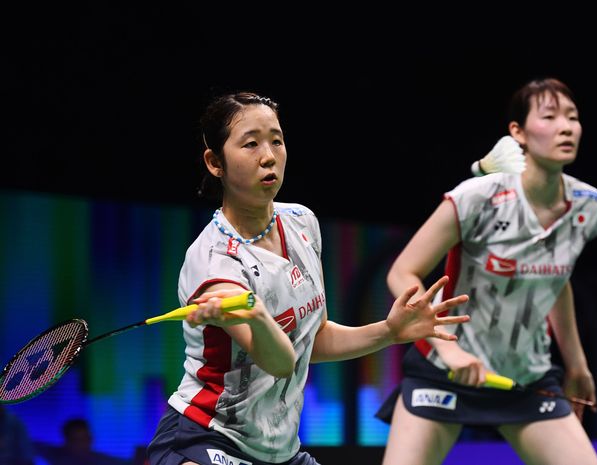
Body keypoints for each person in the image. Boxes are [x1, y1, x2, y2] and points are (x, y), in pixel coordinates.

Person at [146, 92, 470, 465]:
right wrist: (254, 314)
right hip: (209, 436)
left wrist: (390, 331)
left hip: (281, 451)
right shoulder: (214, 261)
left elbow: (310, 341)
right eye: (250, 144)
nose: (268, 156)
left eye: (277, 140)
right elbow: (280, 362)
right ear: (215, 162)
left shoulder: (302, 223)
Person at [375, 77, 597, 465]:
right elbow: (402, 273)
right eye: (550, 117)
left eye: (573, 117)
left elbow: (555, 281)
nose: (566, 126)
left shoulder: (588, 206)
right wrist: (450, 352)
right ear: (517, 131)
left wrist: (577, 365)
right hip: (444, 372)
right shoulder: (478, 197)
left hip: (527, 377)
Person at [34, 418, 128, 465]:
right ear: (67, 441)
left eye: (86, 438)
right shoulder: (55, 454)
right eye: (77, 440)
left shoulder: (100, 459)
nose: (83, 444)